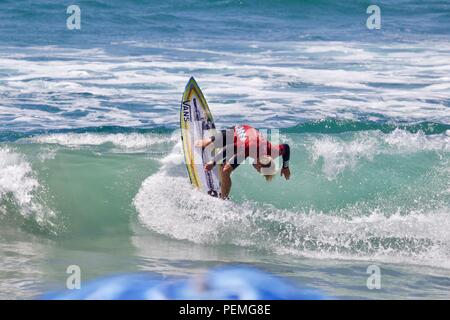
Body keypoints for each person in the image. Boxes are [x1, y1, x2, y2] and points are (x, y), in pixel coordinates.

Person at [195, 124, 291, 199]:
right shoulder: (250, 148)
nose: (258, 172)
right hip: (236, 132)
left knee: (225, 170)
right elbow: (229, 149)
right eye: (259, 170)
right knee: (204, 144)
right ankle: (200, 142)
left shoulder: (273, 152)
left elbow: (286, 148)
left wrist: (285, 167)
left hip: (246, 143)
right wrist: (213, 161)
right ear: (260, 163)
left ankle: (223, 199)